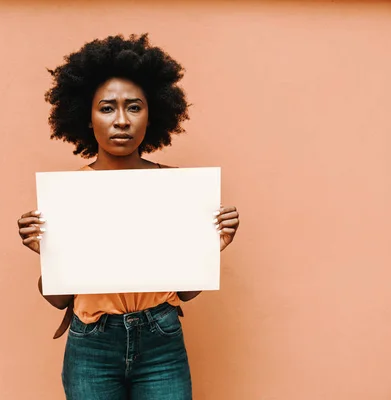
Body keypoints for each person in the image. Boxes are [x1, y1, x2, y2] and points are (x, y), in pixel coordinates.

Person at [17, 33, 240, 400]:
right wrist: (46, 251)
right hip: (91, 345)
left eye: (134, 107)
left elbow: (185, 292)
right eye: (107, 108)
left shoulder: (176, 188)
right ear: (86, 118)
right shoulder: (67, 195)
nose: (121, 120)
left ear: (152, 114)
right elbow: (59, 300)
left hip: (162, 339)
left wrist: (210, 247)